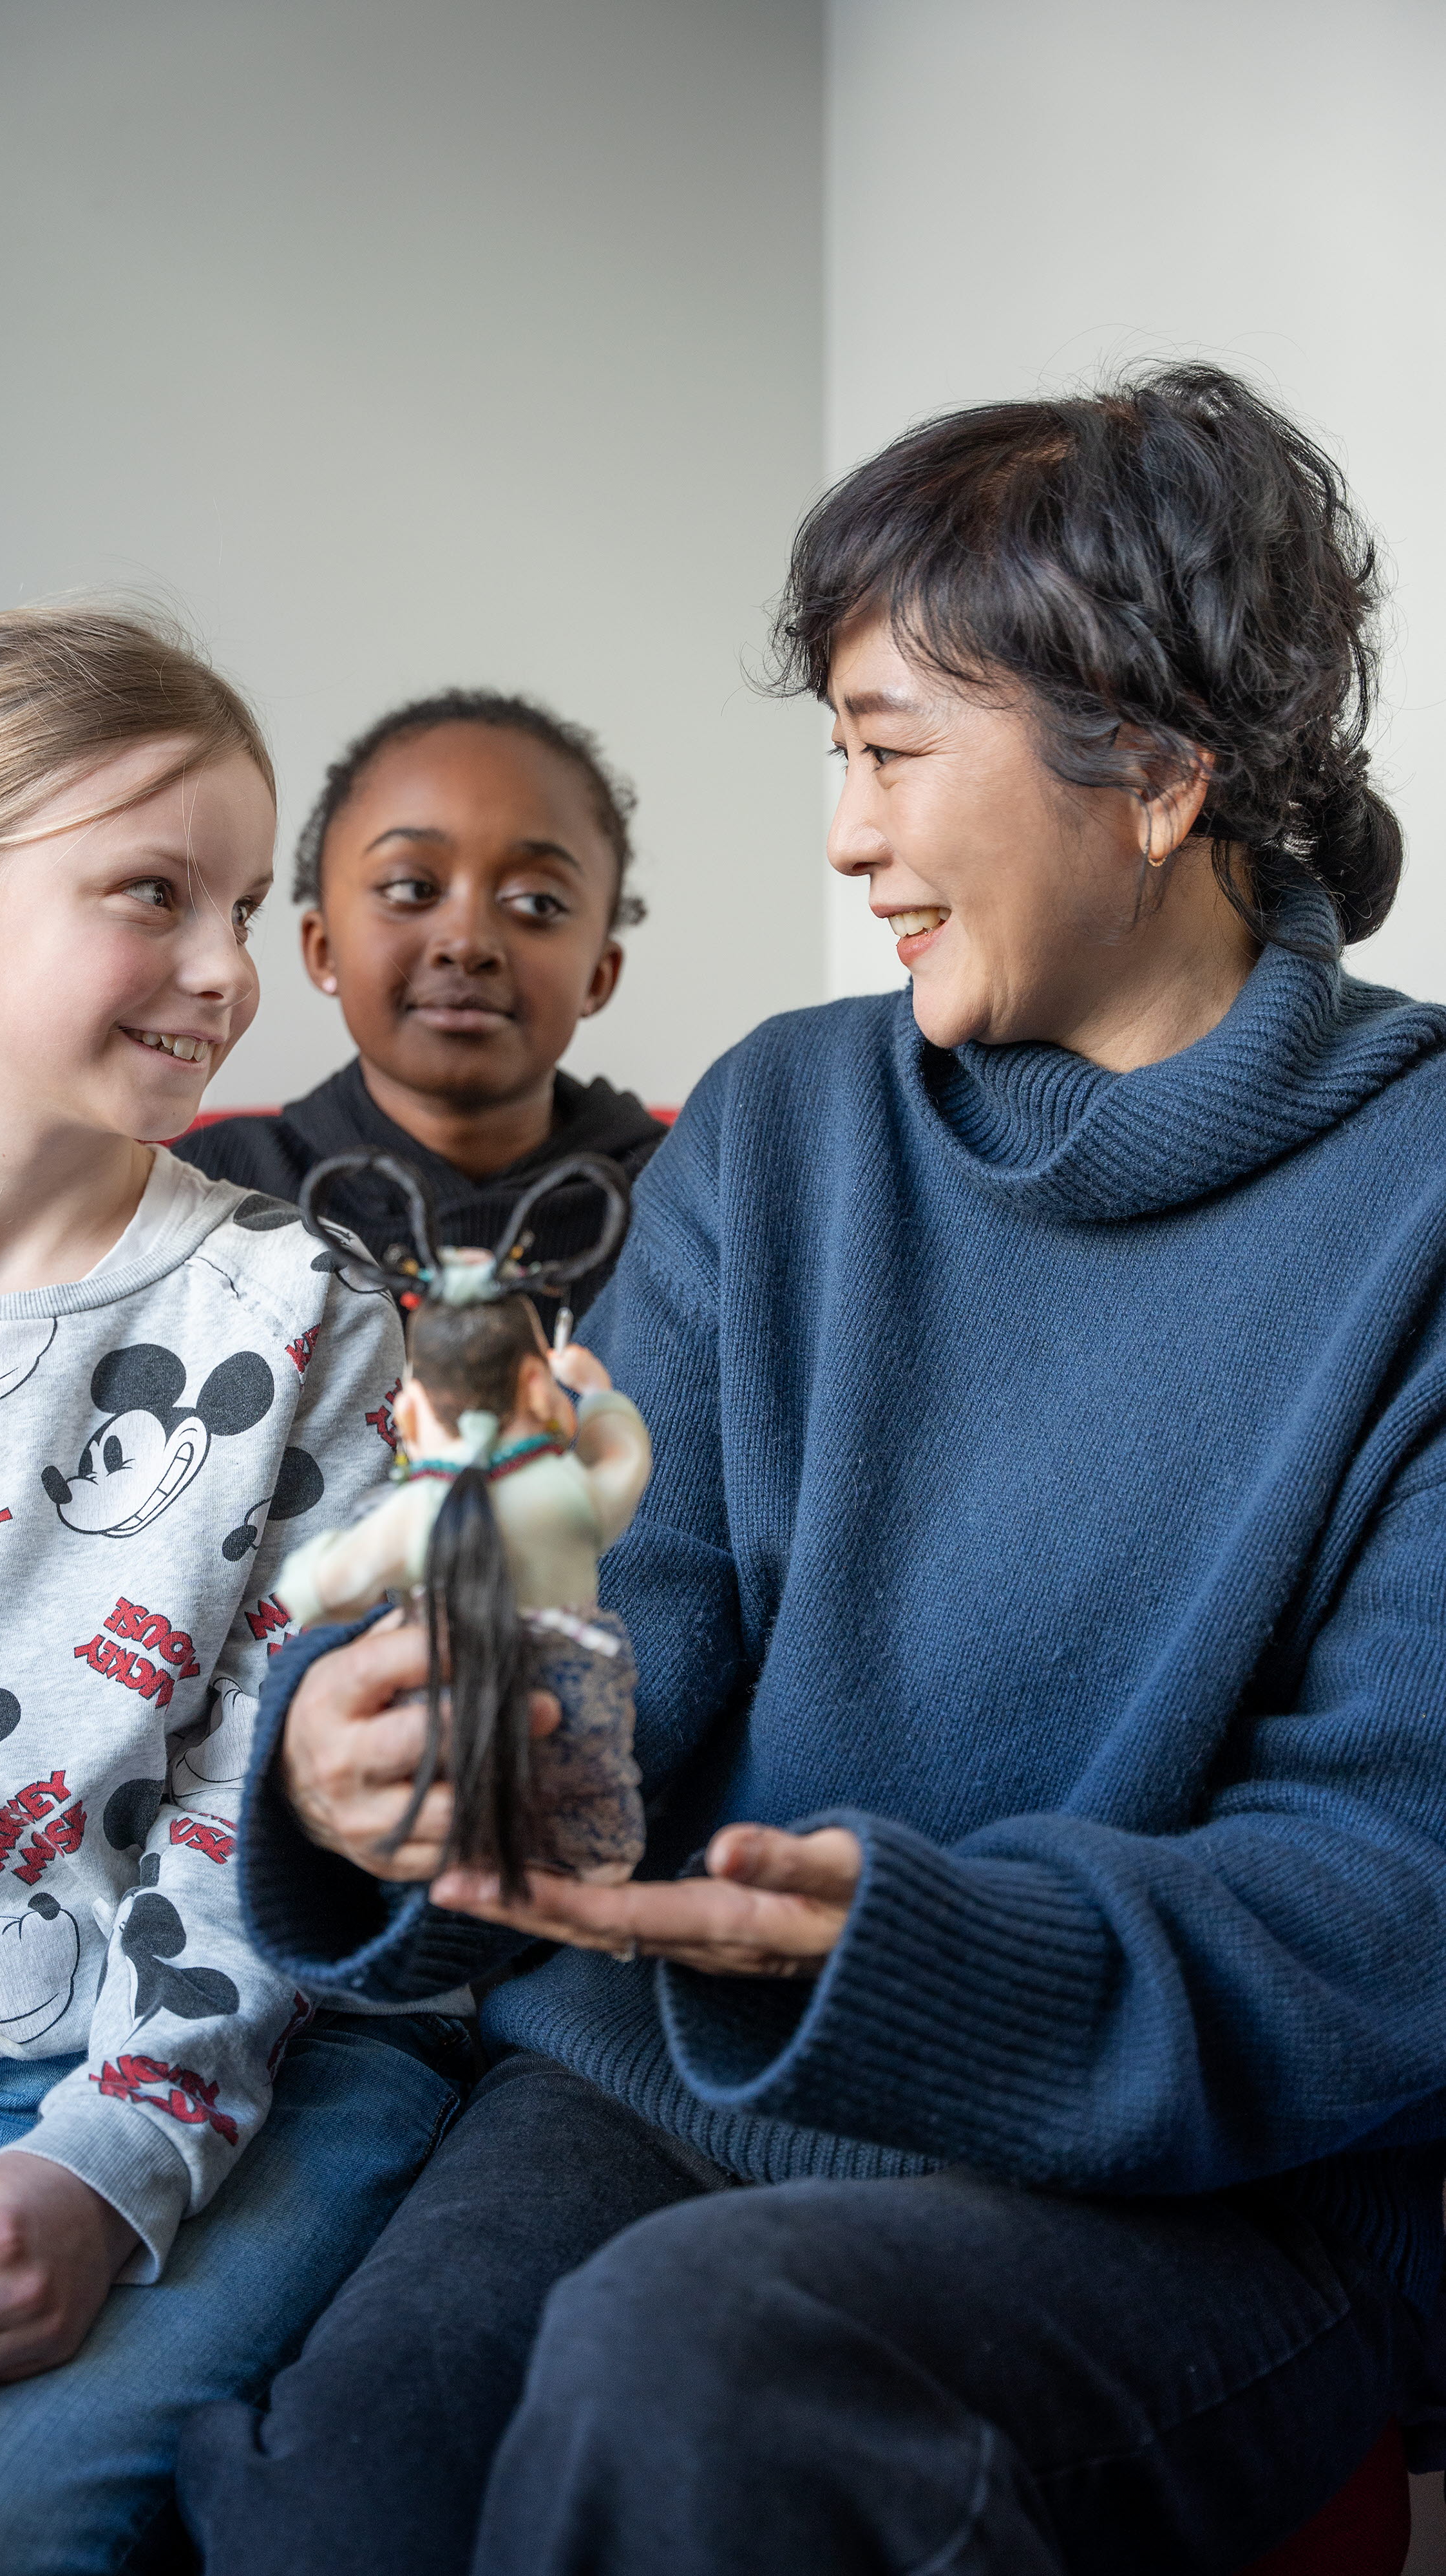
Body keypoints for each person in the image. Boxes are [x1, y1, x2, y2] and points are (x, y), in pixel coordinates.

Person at [180, 367, 1446, 2576]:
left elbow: (1387, 1890)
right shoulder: (782, 1125)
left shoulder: (1413, 1202)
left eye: (885, 752)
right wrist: (411, 1755)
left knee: (707, 2373)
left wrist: (922, 1947)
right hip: (672, 2076)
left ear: (1152, 770)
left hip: (1195, 2182)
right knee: (332, 2483)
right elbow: (618, 1614)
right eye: (833, 759)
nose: (844, 837)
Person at [0, 608, 473, 2576]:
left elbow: (265, 1830)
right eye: (158, 896)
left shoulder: (310, 1319)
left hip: (227, 2101)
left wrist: (98, 2167)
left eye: (243, 900)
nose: (234, 974)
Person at [171, 692, 667, 1327]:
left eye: (537, 902)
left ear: (601, 973)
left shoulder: (685, 1199)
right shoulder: (210, 1188)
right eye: (412, 888)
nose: (466, 943)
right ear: (323, 950)